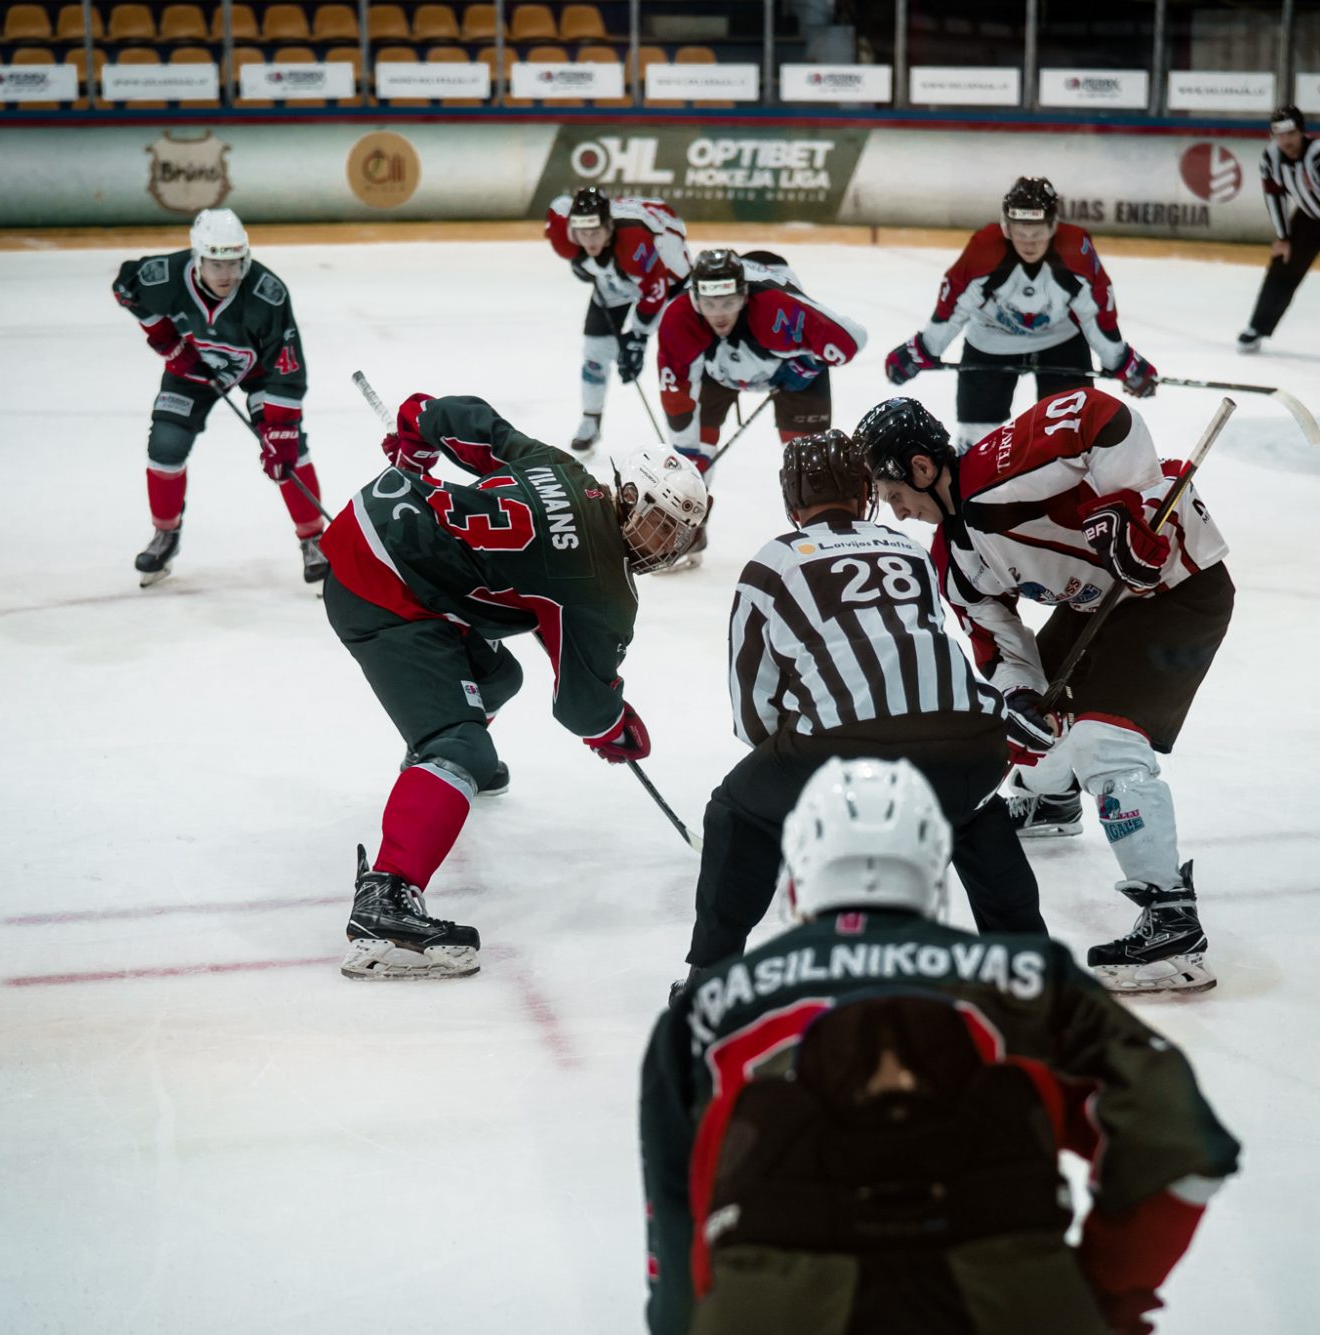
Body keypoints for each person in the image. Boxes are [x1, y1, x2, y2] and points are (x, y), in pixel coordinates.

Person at [641, 757, 1240, 1335]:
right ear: (935, 870)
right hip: (1017, 1302)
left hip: (772, 1308)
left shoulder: (706, 1009)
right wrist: (1107, 1297)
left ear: (796, 873)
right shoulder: (1032, 983)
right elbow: (1180, 1144)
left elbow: (671, 1219)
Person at [319, 393, 708, 979]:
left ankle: (430, 773)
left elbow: (467, 420)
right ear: (628, 496)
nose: (663, 545)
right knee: (464, 748)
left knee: (499, 675)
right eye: (657, 523)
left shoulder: (565, 469)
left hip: (385, 518)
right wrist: (616, 726)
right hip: (383, 585)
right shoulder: (607, 592)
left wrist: (415, 433)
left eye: (674, 534)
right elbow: (582, 708)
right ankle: (386, 900)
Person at [855, 392, 1233, 995]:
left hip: (1178, 589)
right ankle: (1053, 799)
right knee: (1031, 720)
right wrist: (1019, 695)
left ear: (922, 468)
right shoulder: (952, 557)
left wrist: (1130, 507)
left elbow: (1102, 417)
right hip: (1099, 607)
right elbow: (1000, 644)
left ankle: (1172, 926)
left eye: (896, 495)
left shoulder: (998, 467)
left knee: (1102, 741)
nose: (899, 513)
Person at [682, 430, 1046, 980]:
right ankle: (1031, 971)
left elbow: (754, 706)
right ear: (863, 493)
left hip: (841, 749)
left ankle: (712, 975)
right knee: (974, 812)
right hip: (972, 739)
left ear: (792, 500)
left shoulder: (773, 561)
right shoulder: (909, 550)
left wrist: (793, 771)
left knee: (737, 811)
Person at [111, 208, 326, 587]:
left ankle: (315, 540)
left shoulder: (266, 293)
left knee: (288, 452)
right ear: (198, 259)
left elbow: (285, 364)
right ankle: (165, 534)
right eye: (216, 264)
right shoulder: (166, 275)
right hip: (193, 370)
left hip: (259, 372)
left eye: (235, 263)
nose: (227, 273)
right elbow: (127, 289)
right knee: (165, 446)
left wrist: (280, 431)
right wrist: (165, 339)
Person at [882, 176, 1159, 448]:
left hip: (1059, 341)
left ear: (1052, 227)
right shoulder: (984, 251)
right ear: (1006, 228)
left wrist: (1120, 361)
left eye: (1037, 233)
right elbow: (953, 307)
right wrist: (924, 348)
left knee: (1073, 436)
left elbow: (1095, 313)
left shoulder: (1075, 251)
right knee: (977, 441)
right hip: (991, 339)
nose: (1029, 243)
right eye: (1020, 233)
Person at [655, 247, 868, 473]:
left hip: (789, 362)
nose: (719, 315)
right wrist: (687, 451)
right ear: (695, 300)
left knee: (811, 466)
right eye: (709, 304)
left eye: (728, 303)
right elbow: (674, 391)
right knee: (690, 462)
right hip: (715, 371)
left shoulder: (777, 308)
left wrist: (808, 365)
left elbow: (853, 338)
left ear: (743, 295)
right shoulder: (680, 318)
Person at [543, 186, 691, 452]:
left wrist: (638, 338)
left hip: (667, 271)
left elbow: (655, 291)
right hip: (618, 278)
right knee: (595, 352)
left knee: (681, 350)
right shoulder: (563, 234)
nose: (589, 241)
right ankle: (590, 420)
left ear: (609, 227)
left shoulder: (634, 241)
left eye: (595, 232)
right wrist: (583, 262)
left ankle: (687, 434)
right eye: (582, 233)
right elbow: (560, 204)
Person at [1238, 105, 1320, 351]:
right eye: (1279, 135)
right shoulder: (1270, 157)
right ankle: (1258, 326)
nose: (1286, 141)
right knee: (1284, 262)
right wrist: (1283, 237)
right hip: (1312, 212)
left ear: (1302, 132)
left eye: (1291, 133)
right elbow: (1274, 196)